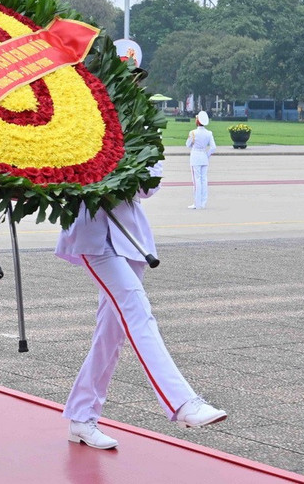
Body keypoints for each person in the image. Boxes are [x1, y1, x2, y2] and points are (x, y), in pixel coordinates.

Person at [57, 41, 226, 450]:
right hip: (93, 234)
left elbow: (150, 182)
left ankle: (81, 415)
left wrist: (125, 174)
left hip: (130, 236)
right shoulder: (79, 116)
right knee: (136, 308)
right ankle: (182, 402)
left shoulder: (142, 124)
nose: (128, 85)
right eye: (121, 77)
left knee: (110, 334)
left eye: (133, 78)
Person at [186, 110, 216, 210]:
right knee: (204, 180)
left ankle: (197, 203)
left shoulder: (193, 133)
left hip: (195, 157)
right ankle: (203, 203)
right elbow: (213, 147)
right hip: (204, 156)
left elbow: (188, 145)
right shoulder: (209, 133)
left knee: (196, 181)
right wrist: (207, 155)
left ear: (198, 121)